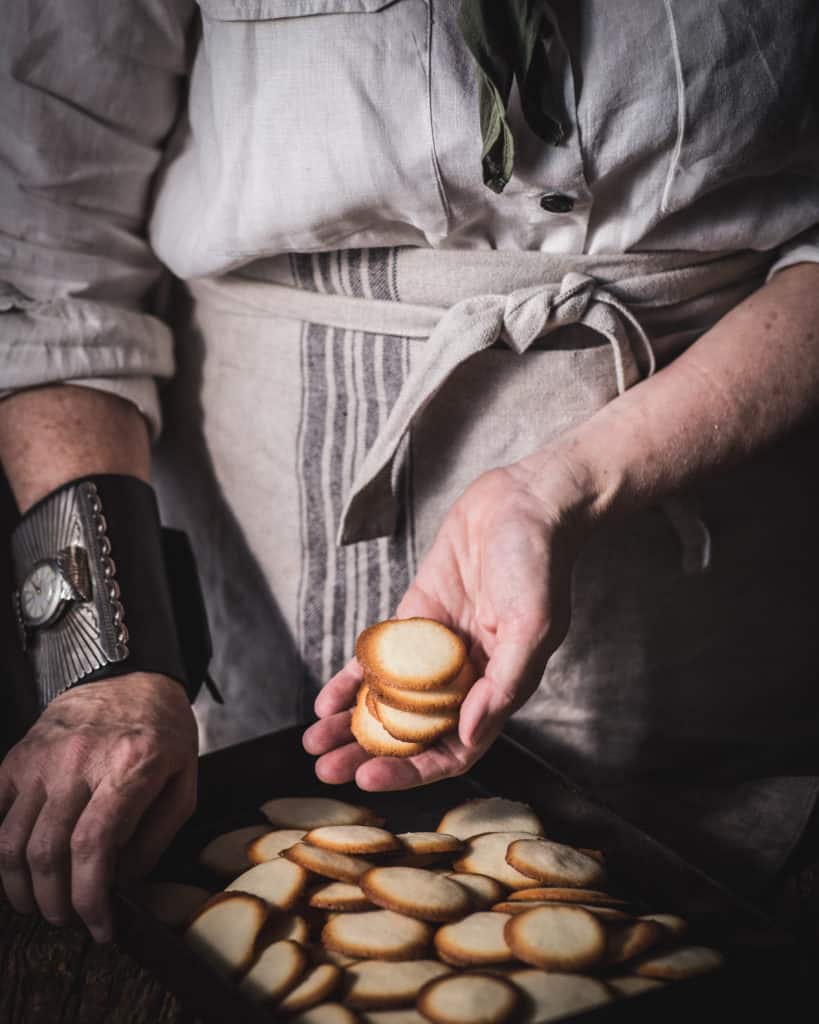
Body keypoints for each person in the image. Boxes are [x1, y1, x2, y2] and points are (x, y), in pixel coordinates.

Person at [1, 0, 818, 949]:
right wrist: (104, 660)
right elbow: (45, 255)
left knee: (695, 938)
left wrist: (565, 479)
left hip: (720, 546)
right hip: (258, 526)